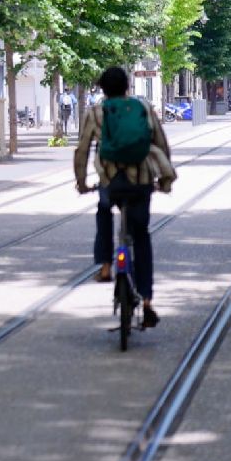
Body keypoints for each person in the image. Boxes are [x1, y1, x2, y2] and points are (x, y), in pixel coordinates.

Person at [74, 66, 173, 327]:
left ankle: (106, 265)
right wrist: (163, 179)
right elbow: (161, 144)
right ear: (127, 86)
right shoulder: (142, 108)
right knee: (141, 236)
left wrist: (82, 183)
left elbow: (82, 150)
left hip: (111, 181)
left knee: (104, 209)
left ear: (102, 90)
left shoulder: (96, 112)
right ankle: (148, 299)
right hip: (141, 181)